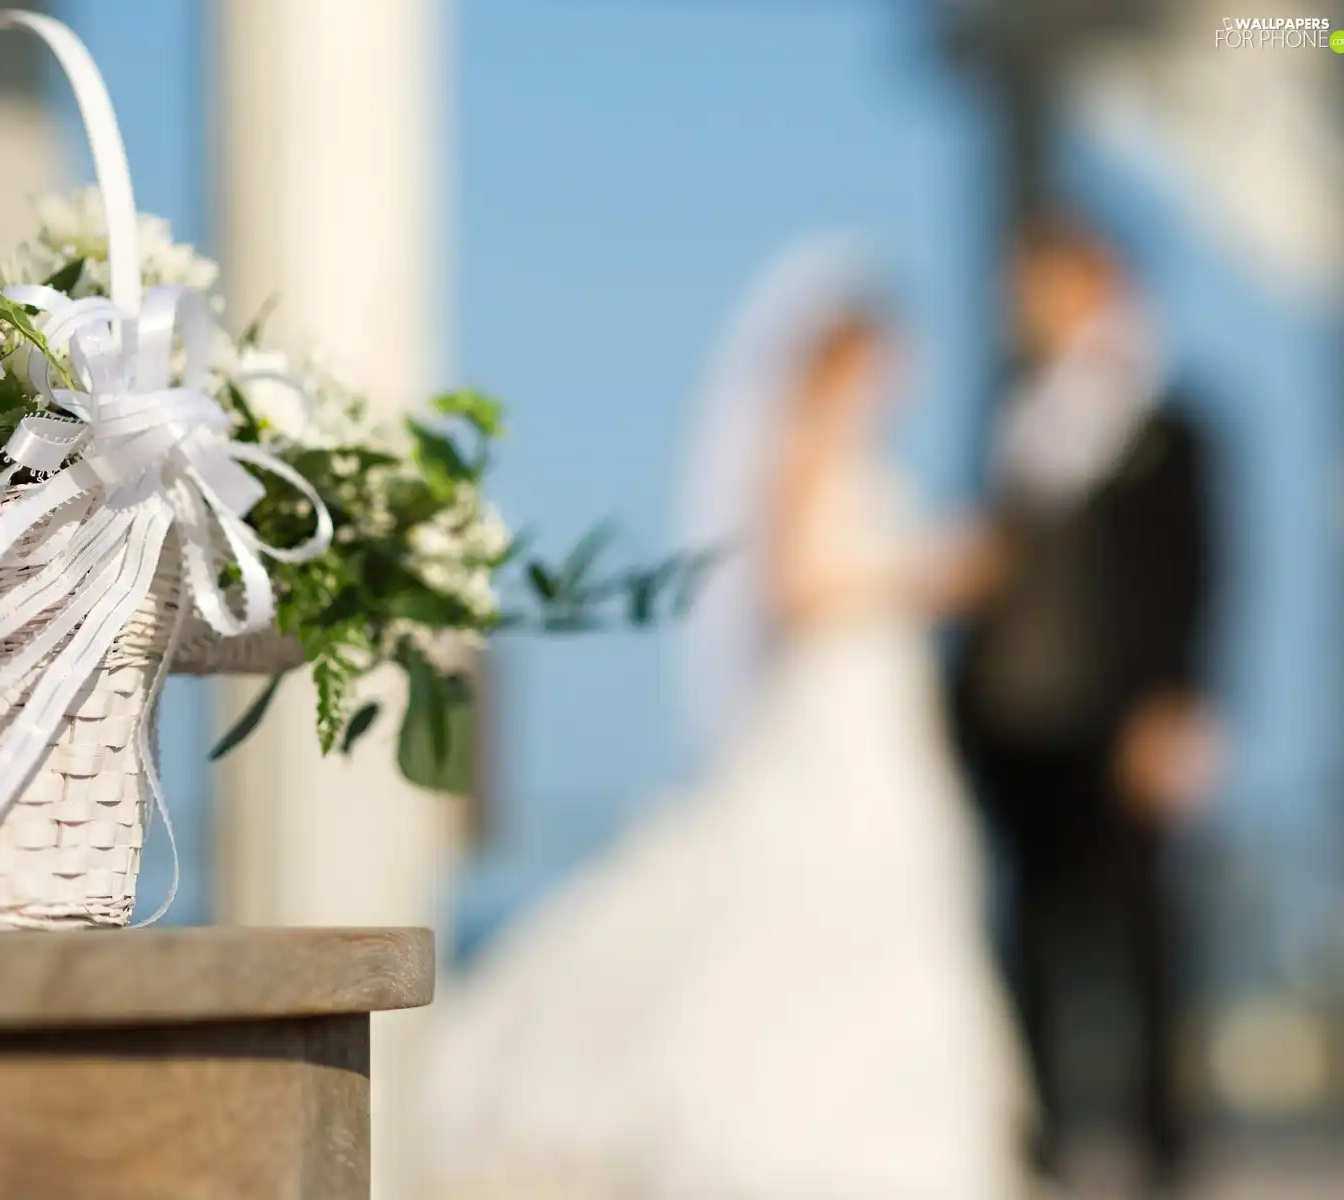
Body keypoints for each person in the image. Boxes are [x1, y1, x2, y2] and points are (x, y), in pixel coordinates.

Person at [421, 239, 1029, 1199]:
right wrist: (926, 576)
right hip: (830, 710)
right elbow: (796, 590)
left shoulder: (867, 463)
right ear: (843, 361)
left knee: (876, 913)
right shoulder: (802, 456)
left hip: (879, 719)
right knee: (797, 896)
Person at [951, 210, 1218, 1193]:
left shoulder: (1172, 425)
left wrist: (1179, 706)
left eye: (1042, 282)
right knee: (1034, 933)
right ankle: (1046, 1135)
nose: (1024, 305)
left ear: (1094, 284)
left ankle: (1164, 1145)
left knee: (1144, 937)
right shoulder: (1012, 416)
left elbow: (1198, 573)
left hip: (1124, 722)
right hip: (1017, 724)